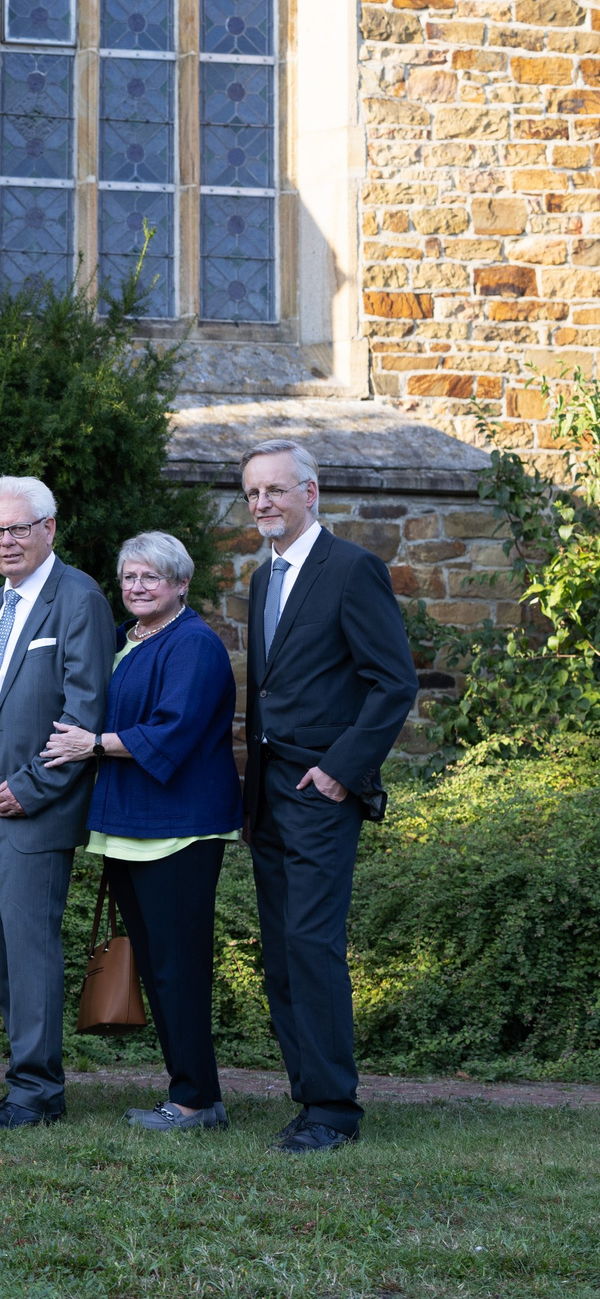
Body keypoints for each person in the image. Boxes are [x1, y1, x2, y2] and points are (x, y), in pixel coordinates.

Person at [238, 439, 418, 1152]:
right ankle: (307, 1096)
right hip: (269, 797)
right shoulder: (263, 580)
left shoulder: (351, 570)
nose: (262, 504)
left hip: (320, 791)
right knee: (282, 953)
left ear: (310, 493)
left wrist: (342, 770)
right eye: (252, 493)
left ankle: (334, 1111)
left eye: (275, 491)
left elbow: (393, 682)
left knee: (311, 945)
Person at [41, 532, 241, 1132]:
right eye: (129, 577)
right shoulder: (130, 642)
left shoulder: (195, 646)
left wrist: (91, 744)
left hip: (177, 831)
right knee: (157, 966)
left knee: (179, 966)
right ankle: (193, 1093)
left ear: (181, 583)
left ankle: (194, 1102)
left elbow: (173, 730)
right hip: (130, 827)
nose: (137, 587)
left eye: (151, 577)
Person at [0, 475, 115, 1130]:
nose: (6, 540)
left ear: (50, 527)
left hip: (29, 799)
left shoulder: (77, 599)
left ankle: (37, 1093)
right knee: (5, 948)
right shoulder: (3, 600)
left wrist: (29, 788)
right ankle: (21, 1081)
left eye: (18, 527)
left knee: (31, 949)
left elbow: (85, 712)